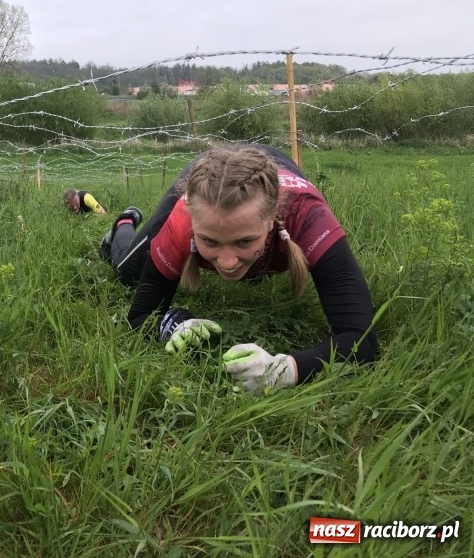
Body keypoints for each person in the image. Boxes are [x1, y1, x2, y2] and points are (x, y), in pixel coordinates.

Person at [99, 144, 377, 393]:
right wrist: (173, 324)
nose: (227, 262)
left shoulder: (306, 214)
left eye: (244, 241)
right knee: (125, 271)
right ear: (193, 222)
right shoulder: (183, 218)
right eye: (209, 241)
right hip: (207, 178)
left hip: (269, 168)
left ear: (273, 217)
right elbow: (139, 316)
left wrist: (284, 371)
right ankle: (124, 223)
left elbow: (361, 339)